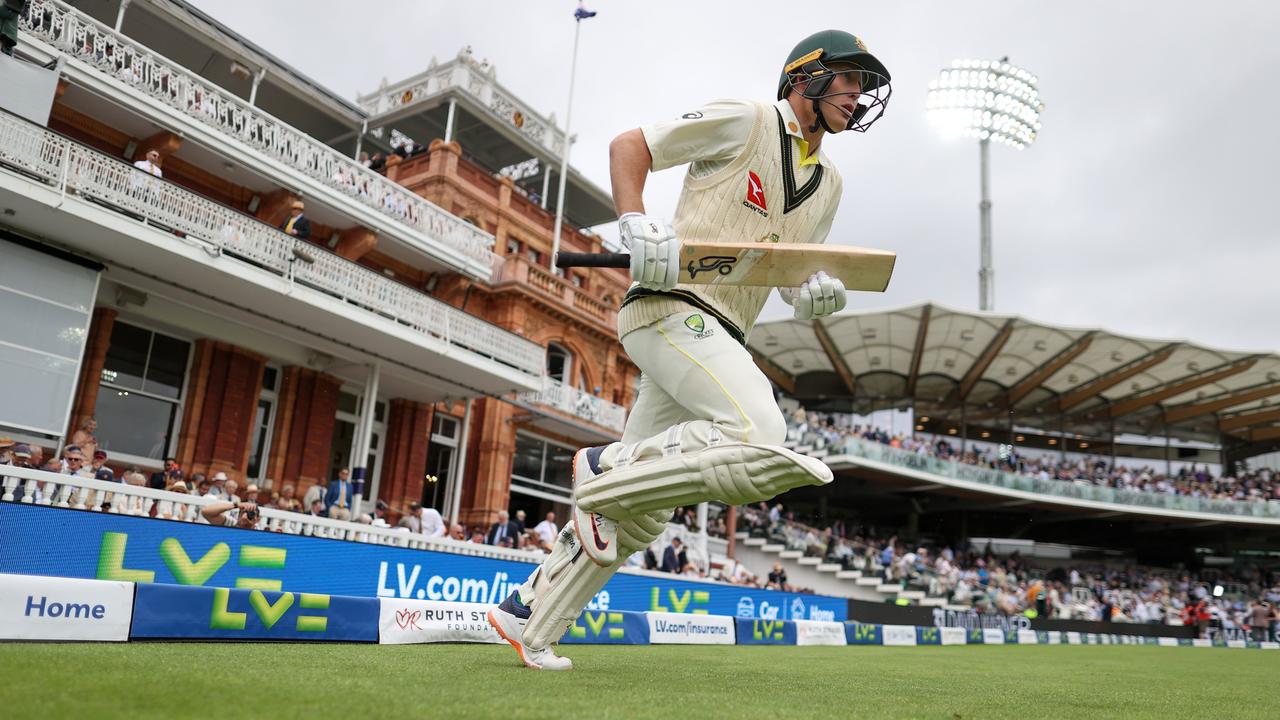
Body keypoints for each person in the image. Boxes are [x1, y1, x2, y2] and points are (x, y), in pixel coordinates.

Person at [488, 30, 891, 670]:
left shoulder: (831, 183)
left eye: (865, 83)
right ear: (804, 78)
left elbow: (780, 268)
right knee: (757, 430)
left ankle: (528, 618)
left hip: (720, 334)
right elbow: (632, 146)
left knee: (639, 517)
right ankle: (605, 467)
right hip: (669, 307)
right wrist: (632, 220)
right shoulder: (749, 119)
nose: (859, 92)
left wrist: (805, 294)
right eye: (849, 77)